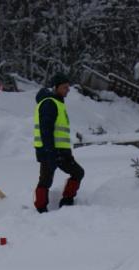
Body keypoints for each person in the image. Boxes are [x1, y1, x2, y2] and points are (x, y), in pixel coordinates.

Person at [33, 72, 84, 213]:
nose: (68, 90)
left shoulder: (57, 102)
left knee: (77, 173)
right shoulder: (49, 103)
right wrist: (50, 152)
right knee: (45, 180)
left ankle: (66, 201)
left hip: (61, 151)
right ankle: (41, 208)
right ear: (56, 87)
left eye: (68, 87)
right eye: (65, 87)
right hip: (50, 151)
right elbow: (46, 130)